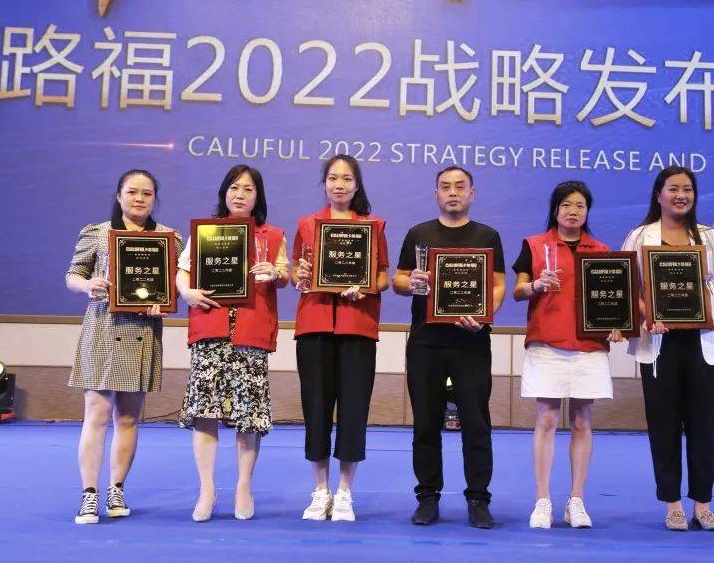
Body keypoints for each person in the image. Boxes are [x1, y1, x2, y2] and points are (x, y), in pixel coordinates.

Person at [622, 166, 714, 532]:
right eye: (673, 189)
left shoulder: (709, 236)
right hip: (659, 345)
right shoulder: (639, 236)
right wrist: (648, 315)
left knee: (704, 427)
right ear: (658, 195)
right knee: (664, 426)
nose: (681, 195)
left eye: (687, 189)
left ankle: (703, 504)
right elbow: (631, 288)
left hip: (703, 344)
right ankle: (672, 504)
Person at [66, 169, 183, 524]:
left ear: (155, 199)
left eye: (147, 193)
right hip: (103, 327)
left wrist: (165, 302)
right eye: (132, 192)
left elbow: (176, 286)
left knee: (129, 418)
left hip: (143, 330)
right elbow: (73, 275)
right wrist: (87, 286)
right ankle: (89, 494)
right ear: (119, 196)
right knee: (96, 415)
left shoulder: (169, 239)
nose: (139, 198)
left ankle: (116, 488)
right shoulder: (98, 233)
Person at [393, 166, 506, 529]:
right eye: (445, 187)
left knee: (476, 423)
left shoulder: (487, 236)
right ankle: (427, 497)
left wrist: (485, 315)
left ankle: (478, 499)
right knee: (425, 424)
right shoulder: (419, 234)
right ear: (436, 194)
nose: (453, 192)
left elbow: (498, 284)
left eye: (460, 187)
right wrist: (411, 282)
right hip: (425, 342)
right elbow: (398, 280)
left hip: (471, 343)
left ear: (472, 193)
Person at [176, 165, 289, 522]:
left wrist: (275, 272)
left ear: (258, 197)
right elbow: (183, 270)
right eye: (234, 188)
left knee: (248, 415)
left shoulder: (272, 235)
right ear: (224, 192)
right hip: (211, 328)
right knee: (205, 413)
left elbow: (284, 274)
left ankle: (243, 487)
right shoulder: (205, 232)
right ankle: (206, 489)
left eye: (248, 189)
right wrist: (186, 292)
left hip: (250, 333)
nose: (240, 195)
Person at [513, 181, 619, 530]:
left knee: (582, 422)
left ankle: (576, 500)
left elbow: (612, 300)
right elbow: (518, 291)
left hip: (589, 347)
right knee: (545, 419)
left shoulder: (601, 251)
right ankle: (542, 499)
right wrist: (536, 285)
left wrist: (617, 325)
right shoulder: (534, 245)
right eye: (567, 205)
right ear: (555, 209)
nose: (573, 211)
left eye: (580, 206)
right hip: (547, 344)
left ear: (588, 211)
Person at [293, 155, 390, 523]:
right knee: (316, 409)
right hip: (315, 326)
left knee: (353, 410)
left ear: (356, 185)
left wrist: (365, 288)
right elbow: (298, 275)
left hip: (357, 327)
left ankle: (346, 492)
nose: (339, 185)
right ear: (324, 184)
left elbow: (382, 277)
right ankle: (320, 491)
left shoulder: (373, 227)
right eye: (333, 178)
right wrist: (301, 275)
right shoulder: (307, 225)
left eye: (347, 179)